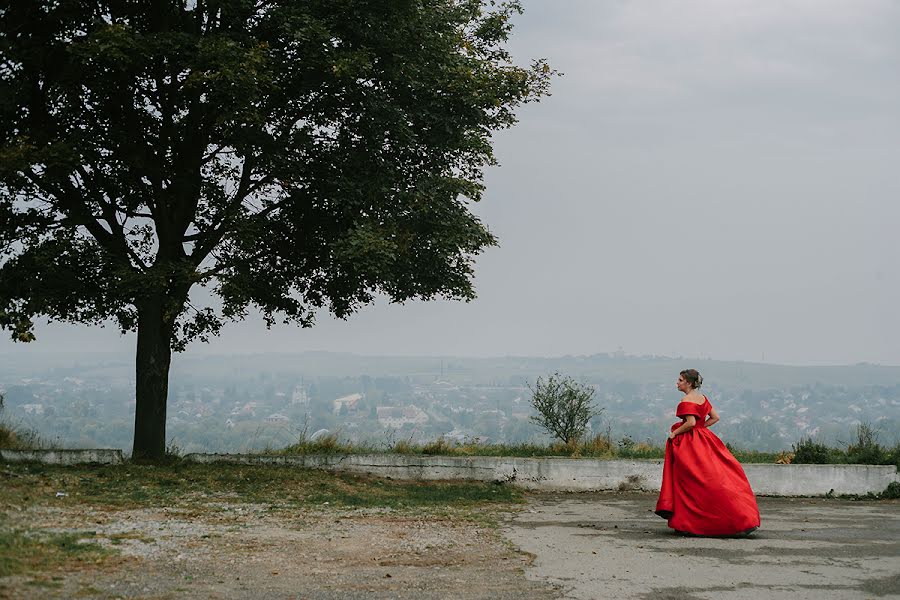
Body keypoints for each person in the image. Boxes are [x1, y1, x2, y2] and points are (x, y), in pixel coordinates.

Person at [655, 369, 760, 536]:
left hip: (690, 444)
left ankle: (689, 523)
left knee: (689, 482)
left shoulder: (686, 400)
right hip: (705, 439)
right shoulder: (702, 398)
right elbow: (715, 417)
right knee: (714, 476)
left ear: (688, 383)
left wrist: (674, 433)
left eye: (680, 380)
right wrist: (701, 429)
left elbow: (690, 422)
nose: (677, 382)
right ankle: (740, 517)